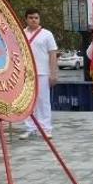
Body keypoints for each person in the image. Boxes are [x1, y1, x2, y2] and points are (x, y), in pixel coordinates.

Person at [20, 8, 58, 140]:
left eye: (36, 18)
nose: (33, 20)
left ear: (39, 19)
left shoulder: (47, 34)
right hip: (26, 73)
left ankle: (46, 128)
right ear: (26, 19)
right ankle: (30, 128)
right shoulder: (21, 33)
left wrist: (53, 73)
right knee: (28, 102)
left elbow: (52, 54)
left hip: (42, 72)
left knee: (43, 101)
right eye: (31, 18)